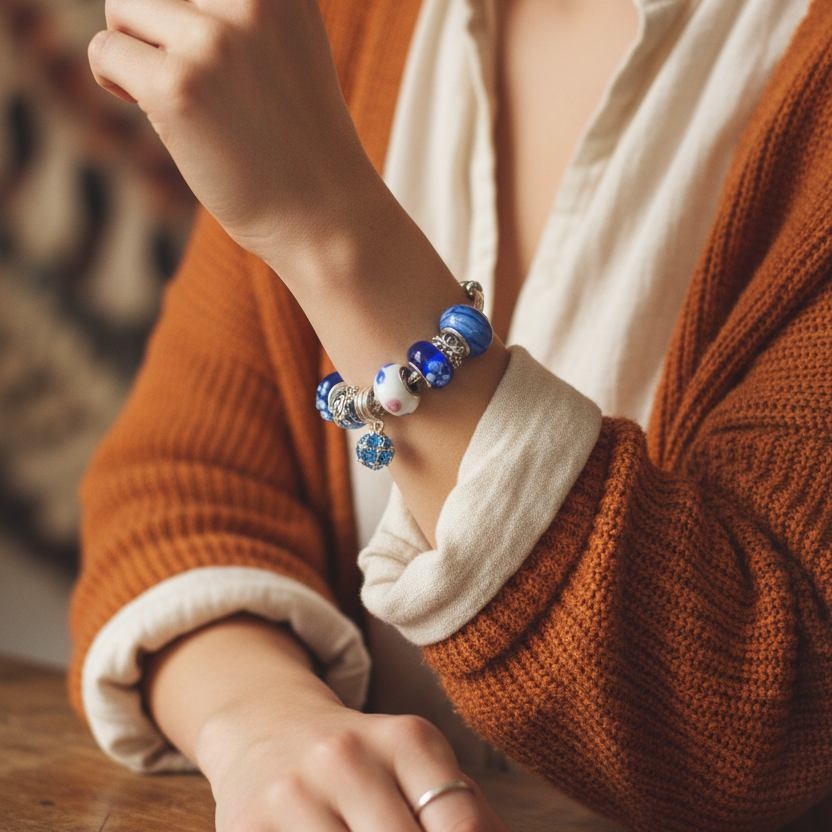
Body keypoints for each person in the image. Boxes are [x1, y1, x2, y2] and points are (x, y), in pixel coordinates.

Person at [71, 0, 832, 829]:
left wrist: (330, 228)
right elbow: (176, 489)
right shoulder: (337, 17)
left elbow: (762, 701)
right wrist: (267, 726)